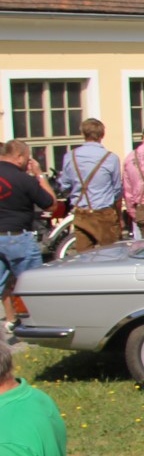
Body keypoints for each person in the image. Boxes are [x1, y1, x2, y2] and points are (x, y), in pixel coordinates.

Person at [0, 141, 55, 338]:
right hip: (17, 237)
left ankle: (11, 320)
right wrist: (39, 175)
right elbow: (50, 204)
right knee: (33, 284)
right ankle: (42, 326)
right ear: (20, 157)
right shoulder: (23, 179)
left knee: (3, 284)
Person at [56, 117, 123, 250]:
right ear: (102, 135)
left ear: (83, 134)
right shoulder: (111, 158)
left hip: (82, 213)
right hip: (104, 213)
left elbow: (64, 185)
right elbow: (117, 190)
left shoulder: (71, 156)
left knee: (84, 258)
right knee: (112, 256)